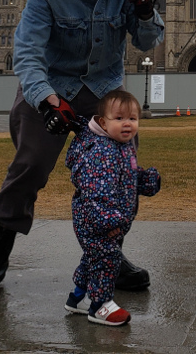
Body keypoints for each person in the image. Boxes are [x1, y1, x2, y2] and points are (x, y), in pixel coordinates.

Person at [0, 0, 164, 299]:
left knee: (117, 173)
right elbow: (27, 52)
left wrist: (147, 11)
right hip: (53, 85)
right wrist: (47, 100)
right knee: (31, 163)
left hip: (103, 89)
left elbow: (148, 41)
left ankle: (108, 256)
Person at [63, 90, 160, 325]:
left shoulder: (119, 146)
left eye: (132, 119)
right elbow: (97, 193)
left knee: (93, 258)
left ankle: (78, 299)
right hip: (97, 221)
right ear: (104, 123)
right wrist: (110, 222)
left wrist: (145, 180)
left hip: (106, 220)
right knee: (106, 259)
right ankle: (100, 305)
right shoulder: (101, 152)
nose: (127, 124)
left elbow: (125, 176)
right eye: (119, 119)